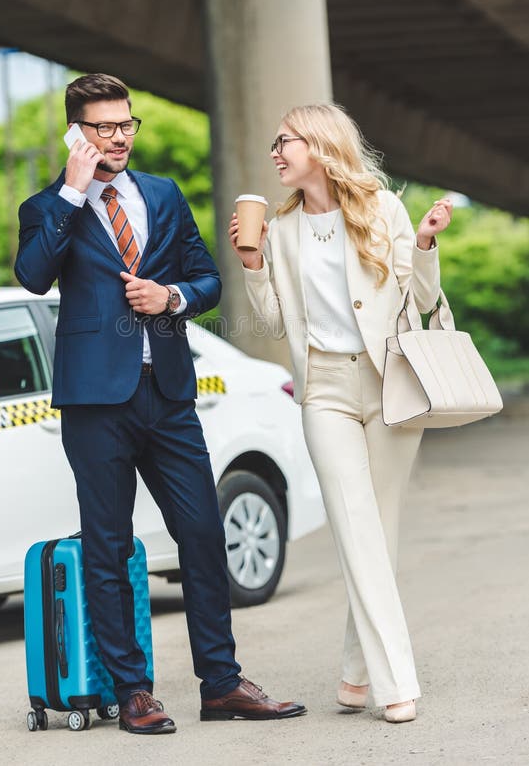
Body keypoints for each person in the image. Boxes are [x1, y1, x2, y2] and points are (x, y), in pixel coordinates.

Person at [15, 73, 305, 735]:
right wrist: (71, 189)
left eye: (125, 124)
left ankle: (222, 685)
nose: (118, 136)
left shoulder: (163, 195)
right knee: (108, 547)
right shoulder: (49, 205)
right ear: (77, 133)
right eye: (103, 127)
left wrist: (169, 297)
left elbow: (205, 275)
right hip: (95, 400)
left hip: (170, 394)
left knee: (203, 536)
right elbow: (32, 275)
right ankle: (133, 691)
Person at [229, 103, 452, 724]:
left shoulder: (383, 209)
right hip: (323, 388)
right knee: (355, 528)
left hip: (390, 381)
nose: (275, 153)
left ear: (320, 146)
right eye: (273, 144)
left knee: (378, 532)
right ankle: (396, 682)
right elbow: (274, 321)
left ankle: (355, 675)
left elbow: (424, 297)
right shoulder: (283, 226)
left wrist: (427, 241)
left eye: (285, 141)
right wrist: (253, 265)